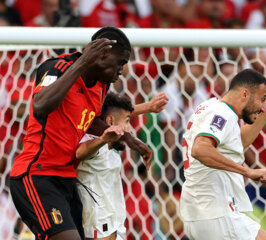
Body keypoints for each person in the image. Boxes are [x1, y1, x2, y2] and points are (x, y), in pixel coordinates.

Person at [9, 27, 136, 240]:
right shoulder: (56, 67)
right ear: (102, 55)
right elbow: (40, 105)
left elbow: (88, 120)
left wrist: (127, 137)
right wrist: (82, 63)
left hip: (68, 179)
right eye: (120, 63)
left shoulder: (101, 85)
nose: (121, 70)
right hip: (37, 174)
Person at [180, 68, 266, 240]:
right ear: (244, 94)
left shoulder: (209, 106)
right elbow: (200, 148)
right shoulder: (222, 113)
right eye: (262, 99)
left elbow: (237, 144)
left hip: (200, 214)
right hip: (217, 214)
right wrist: (247, 172)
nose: (262, 108)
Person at [75, 92, 168, 240]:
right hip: (97, 219)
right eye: (127, 122)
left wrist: (148, 107)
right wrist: (103, 139)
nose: (130, 129)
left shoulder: (113, 146)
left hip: (114, 219)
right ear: (110, 122)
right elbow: (80, 152)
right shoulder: (96, 144)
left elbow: (119, 113)